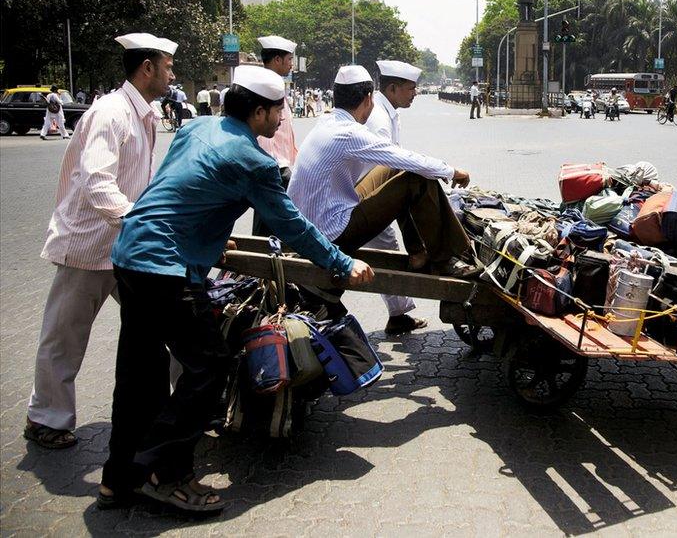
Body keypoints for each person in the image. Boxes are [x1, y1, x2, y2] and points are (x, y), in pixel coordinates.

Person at [100, 65, 373, 513]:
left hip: (130, 252)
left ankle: (117, 479)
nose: (284, 119)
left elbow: (176, 187)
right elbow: (292, 227)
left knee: (138, 375)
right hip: (167, 268)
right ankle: (163, 474)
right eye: (279, 110)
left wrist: (207, 230)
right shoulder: (255, 162)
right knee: (209, 366)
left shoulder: (196, 127)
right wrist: (343, 263)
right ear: (259, 111)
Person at [25, 33, 177, 452]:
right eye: (167, 65)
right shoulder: (111, 112)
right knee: (65, 336)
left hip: (127, 247)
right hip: (89, 244)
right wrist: (138, 220)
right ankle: (46, 418)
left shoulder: (144, 113)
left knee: (169, 324)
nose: (172, 73)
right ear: (147, 68)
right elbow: (96, 181)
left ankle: (185, 408)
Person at [289, 65, 479, 282]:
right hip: (331, 233)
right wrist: (452, 171)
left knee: (399, 167)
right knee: (417, 179)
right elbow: (408, 159)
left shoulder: (327, 121)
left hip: (312, 223)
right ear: (368, 98)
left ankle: (418, 252)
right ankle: (447, 257)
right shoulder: (349, 133)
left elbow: (397, 159)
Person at [352, 59, 431, 335]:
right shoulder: (379, 121)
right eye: (411, 88)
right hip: (364, 194)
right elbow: (385, 165)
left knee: (385, 248)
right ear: (394, 88)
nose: (415, 93)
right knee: (385, 248)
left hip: (370, 191)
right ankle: (399, 311)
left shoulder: (388, 113)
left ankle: (398, 313)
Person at [253, 35, 300, 236]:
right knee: (273, 223)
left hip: (280, 164)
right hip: (274, 165)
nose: (291, 64)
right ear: (277, 60)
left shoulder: (276, 86)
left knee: (268, 221)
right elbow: (268, 136)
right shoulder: (266, 88)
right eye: (289, 59)